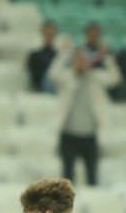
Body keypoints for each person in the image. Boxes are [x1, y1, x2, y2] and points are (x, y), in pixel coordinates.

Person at [50, 48, 121, 187]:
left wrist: (106, 58)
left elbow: (115, 78)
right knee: (67, 178)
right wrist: (64, 55)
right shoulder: (67, 78)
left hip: (89, 135)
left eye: (84, 60)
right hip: (68, 135)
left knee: (92, 177)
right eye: (78, 60)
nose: (81, 63)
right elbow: (53, 74)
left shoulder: (95, 78)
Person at [25, 22, 58, 92]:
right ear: (43, 34)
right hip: (42, 87)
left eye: (51, 34)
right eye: (47, 34)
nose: (49, 37)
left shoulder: (58, 55)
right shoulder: (34, 55)